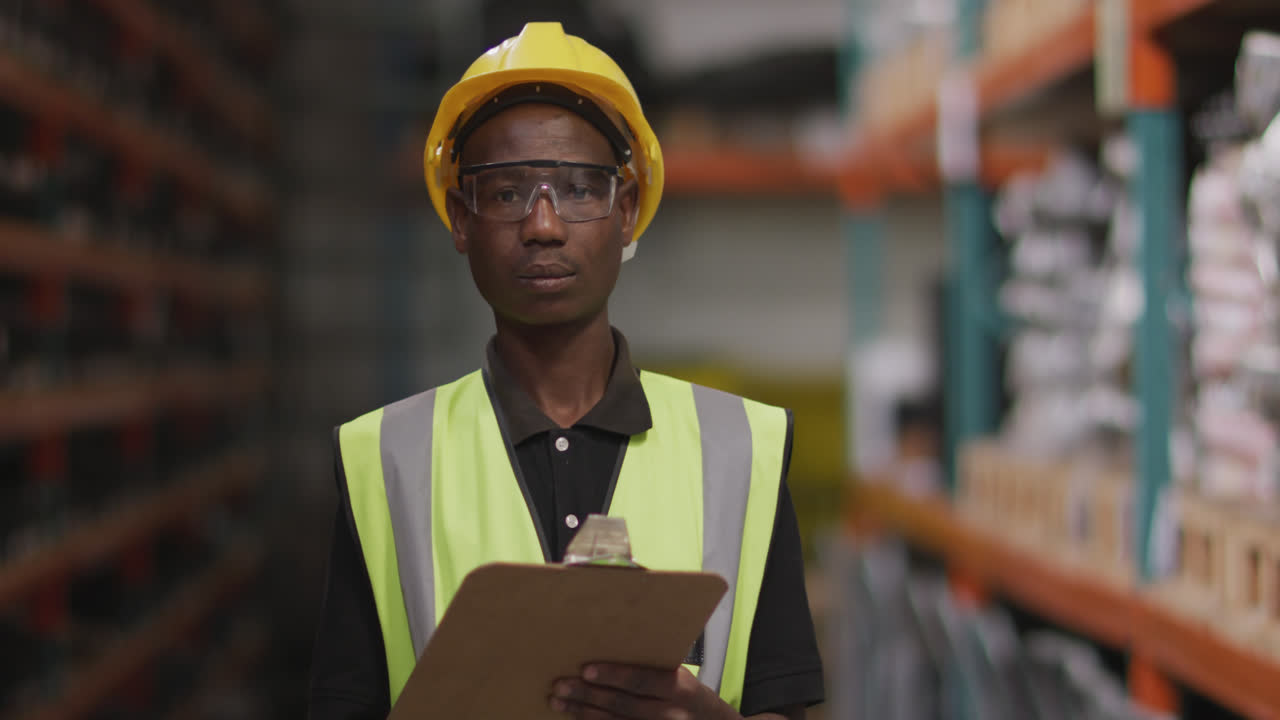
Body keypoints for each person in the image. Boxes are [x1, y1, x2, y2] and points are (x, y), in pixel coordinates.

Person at [308, 22, 824, 720]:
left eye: (580, 188)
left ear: (628, 211)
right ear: (461, 219)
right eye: (505, 191)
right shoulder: (384, 458)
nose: (544, 224)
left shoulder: (743, 449)